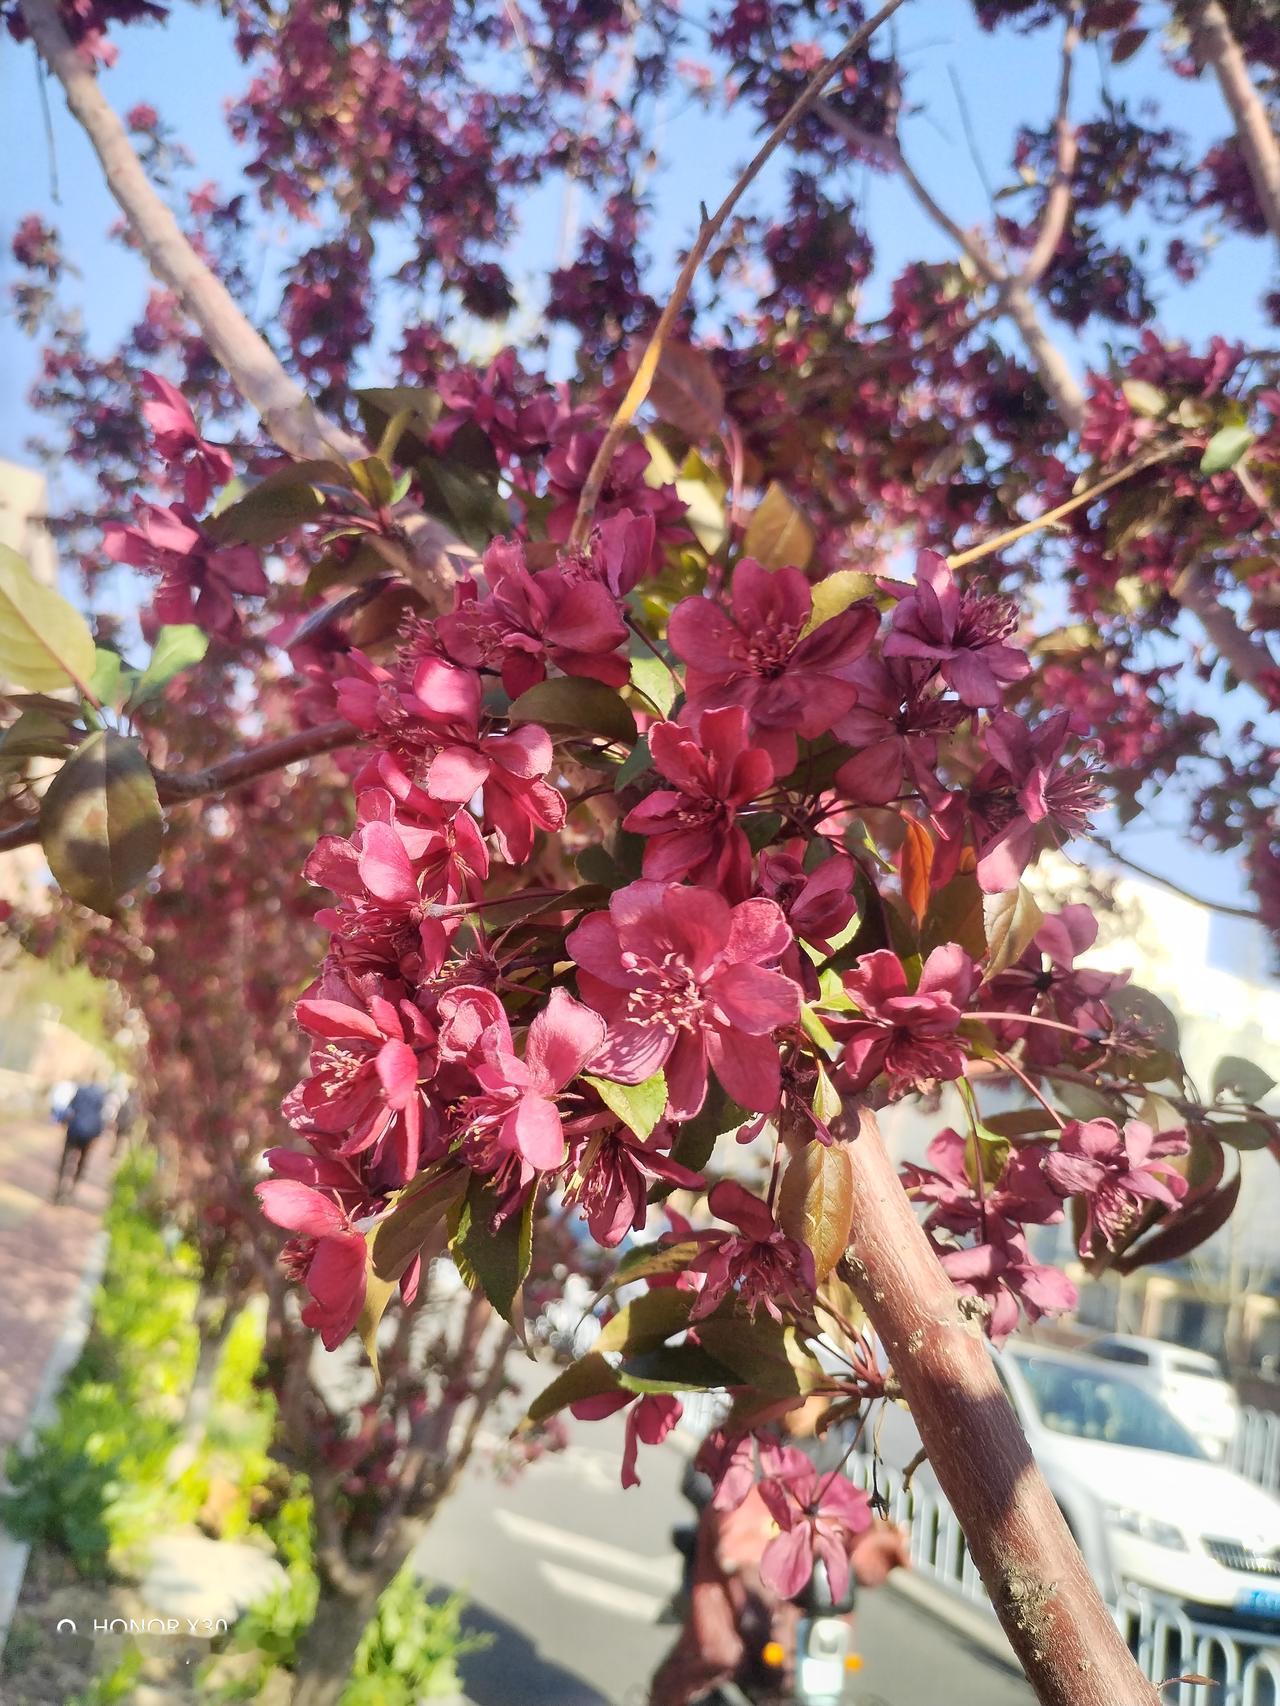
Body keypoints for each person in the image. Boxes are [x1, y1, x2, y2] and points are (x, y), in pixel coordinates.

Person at [649, 1397, 911, 1706]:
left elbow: (835, 1504)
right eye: (801, 1400)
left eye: (816, 1402)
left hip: (787, 1582)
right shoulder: (742, 1431)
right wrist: (736, 1509)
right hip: (723, 1564)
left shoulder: (826, 1449)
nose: (804, 1410)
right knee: (713, 1652)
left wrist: (874, 1537)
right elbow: (696, 1481)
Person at [54, 1079, 111, 1202]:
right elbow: (102, 1115)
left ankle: (58, 1188)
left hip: (74, 1129)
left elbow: (71, 1107)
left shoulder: (81, 1090)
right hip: (89, 1133)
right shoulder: (101, 1095)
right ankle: (71, 1190)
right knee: (82, 1161)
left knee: (65, 1158)